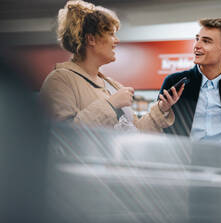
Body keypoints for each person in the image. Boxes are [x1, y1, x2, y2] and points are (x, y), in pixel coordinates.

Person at [40, 0, 183, 132]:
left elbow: (135, 132)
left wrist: (161, 109)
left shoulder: (113, 86)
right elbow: (63, 134)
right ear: (91, 39)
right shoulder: (60, 81)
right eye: (111, 34)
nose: (116, 41)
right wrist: (110, 105)